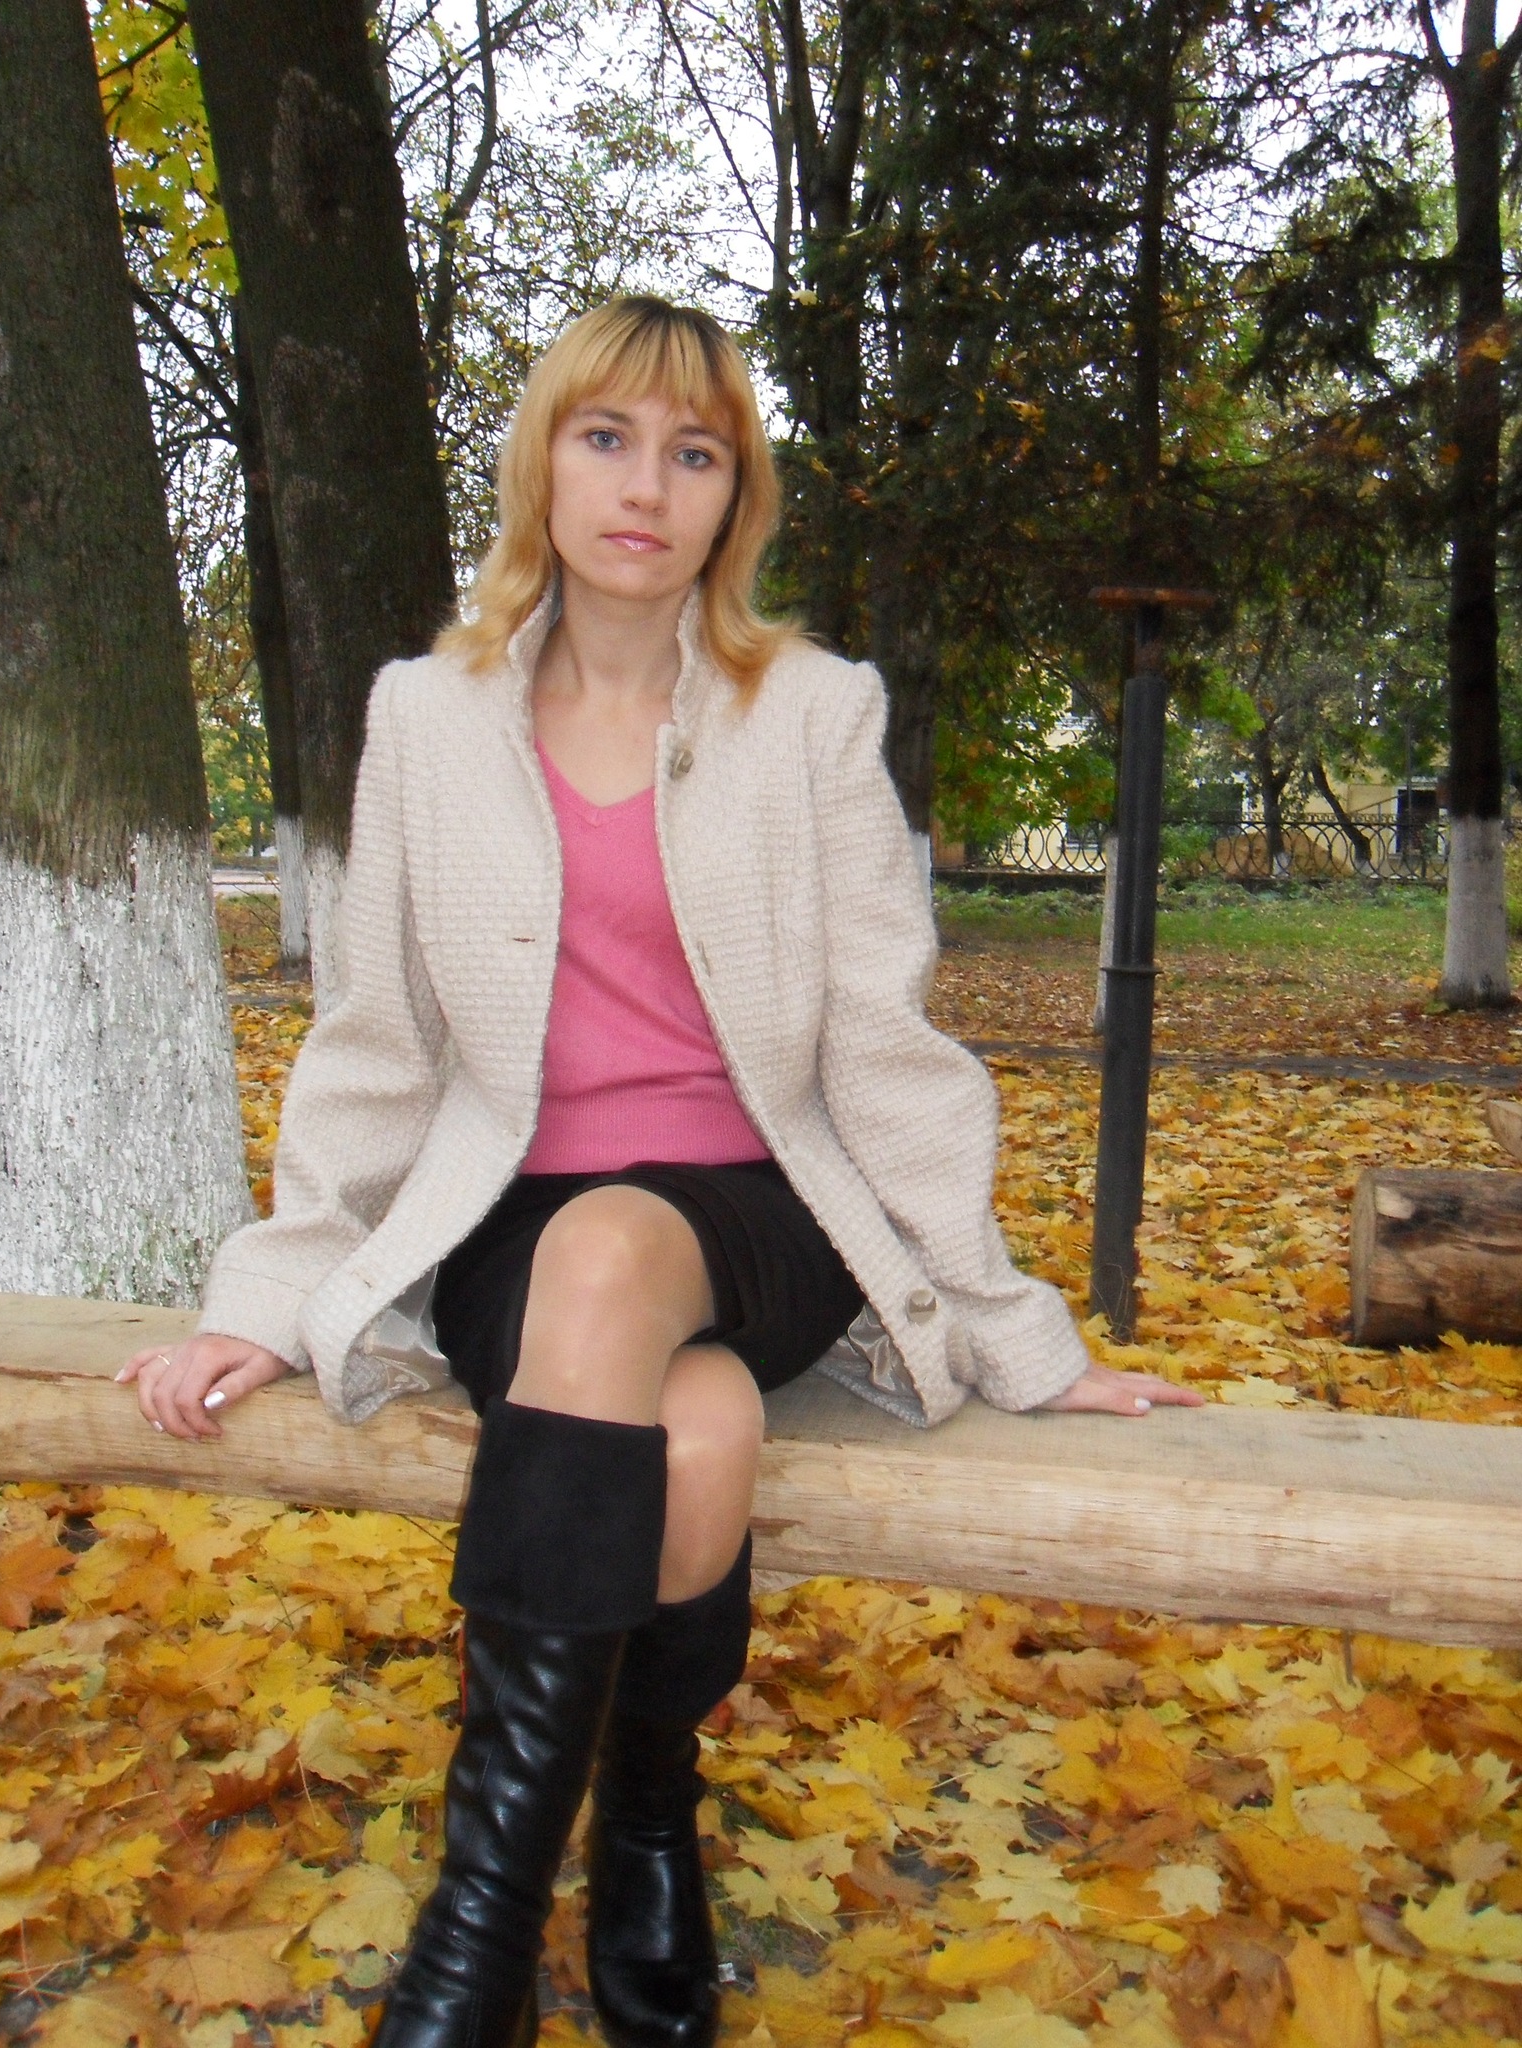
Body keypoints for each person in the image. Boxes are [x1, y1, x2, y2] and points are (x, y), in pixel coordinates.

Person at [117, 297, 1200, 2048]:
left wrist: (1013, 1332)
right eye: (607, 439)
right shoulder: (428, 716)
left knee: (620, 1252)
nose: (647, 487)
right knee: (694, 1433)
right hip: (511, 1221)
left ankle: (471, 1947)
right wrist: (272, 1292)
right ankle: (644, 1826)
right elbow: (378, 1044)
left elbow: (885, 1046)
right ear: (541, 464)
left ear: (734, 497)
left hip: (758, 1213)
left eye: (695, 454)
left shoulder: (814, 714)